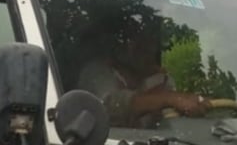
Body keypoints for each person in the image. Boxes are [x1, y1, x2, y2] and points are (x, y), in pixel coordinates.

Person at [77, 27, 210, 128]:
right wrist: (167, 98)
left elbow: (177, 123)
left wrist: (197, 104)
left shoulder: (159, 79)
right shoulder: (97, 73)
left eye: (150, 44)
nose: (146, 50)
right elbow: (109, 107)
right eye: (137, 43)